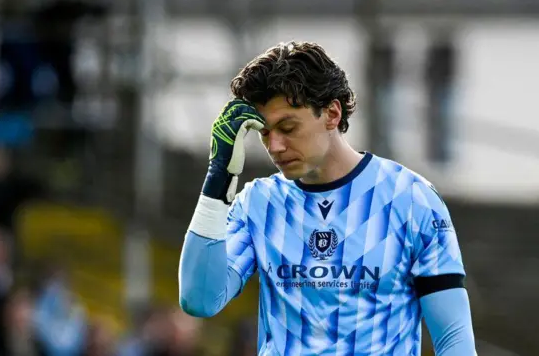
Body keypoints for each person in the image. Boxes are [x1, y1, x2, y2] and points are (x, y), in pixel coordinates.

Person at [178, 41, 477, 356]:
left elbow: (454, 340)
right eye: (265, 133)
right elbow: (199, 300)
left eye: (288, 127)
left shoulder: (412, 199)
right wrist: (218, 178)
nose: (275, 146)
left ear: (332, 114)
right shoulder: (258, 202)